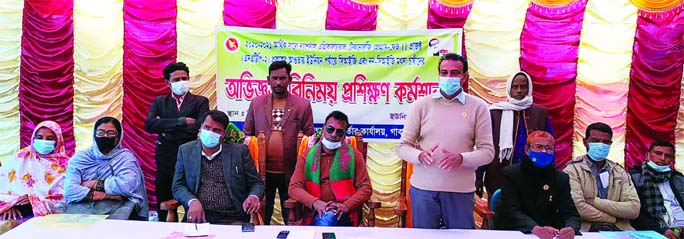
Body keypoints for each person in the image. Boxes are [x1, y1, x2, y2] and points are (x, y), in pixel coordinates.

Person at [396, 53, 495, 229]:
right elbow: (403, 147)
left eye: (455, 73)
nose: (448, 77)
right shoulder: (421, 105)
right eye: (444, 72)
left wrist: (462, 158)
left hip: (460, 191)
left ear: (464, 77)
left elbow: (487, 152)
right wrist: (419, 155)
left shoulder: (478, 107)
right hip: (423, 190)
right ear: (439, 74)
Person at [244, 61, 314, 224]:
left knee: (291, 214)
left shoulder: (302, 105)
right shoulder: (256, 103)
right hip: (261, 172)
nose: (278, 82)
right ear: (268, 79)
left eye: (282, 78)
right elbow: (247, 134)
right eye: (274, 78)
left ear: (290, 79)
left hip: (292, 171)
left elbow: (309, 138)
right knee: (262, 215)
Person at [172, 110, 264, 225]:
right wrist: (192, 201)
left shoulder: (239, 152)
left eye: (216, 130)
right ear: (200, 128)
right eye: (207, 127)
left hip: (233, 218)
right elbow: (178, 186)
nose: (210, 132)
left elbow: (257, 183)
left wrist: (253, 196)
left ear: (223, 134)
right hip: (198, 217)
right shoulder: (186, 151)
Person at [145, 62, 209, 221]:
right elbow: (150, 125)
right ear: (167, 82)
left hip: (190, 156)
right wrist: (180, 122)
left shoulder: (200, 101)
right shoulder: (160, 101)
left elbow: (198, 127)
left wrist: (165, 126)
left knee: (192, 201)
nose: (181, 82)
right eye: (176, 79)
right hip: (165, 157)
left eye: (184, 78)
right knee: (164, 203)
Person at [477, 71, 553, 200]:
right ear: (509, 89)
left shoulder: (540, 113)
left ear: (529, 89)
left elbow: (550, 146)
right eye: (515, 87)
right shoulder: (495, 113)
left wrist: (551, 175)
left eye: (523, 87)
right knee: (500, 216)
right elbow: (484, 147)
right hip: (499, 176)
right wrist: (478, 176)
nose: (519, 91)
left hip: (534, 176)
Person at [288, 111, 372, 226]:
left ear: (344, 135)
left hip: (343, 211)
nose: (333, 135)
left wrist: (346, 205)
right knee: (325, 219)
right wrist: (315, 202)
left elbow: (366, 188)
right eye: (330, 129)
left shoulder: (354, 155)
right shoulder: (307, 156)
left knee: (327, 219)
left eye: (339, 132)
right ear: (323, 129)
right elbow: (294, 187)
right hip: (314, 210)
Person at [494, 131, 580, 239]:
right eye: (539, 147)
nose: (544, 151)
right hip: (515, 231)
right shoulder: (511, 174)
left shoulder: (560, 178)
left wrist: (571, 228)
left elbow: (570, 212)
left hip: (549, 233)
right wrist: (534, 228)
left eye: (548, 148)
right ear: (527, 150)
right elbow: (510, 210)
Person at [64, 117, 148, 220]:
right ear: (94, 134)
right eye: (100, 132)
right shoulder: (80, 158)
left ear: (118, 137)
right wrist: (110, 195)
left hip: (120, 207)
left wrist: (92, 183)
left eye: (111, 133)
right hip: (82, 206)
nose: (105, 136)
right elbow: (70, 190)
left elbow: (127, 185)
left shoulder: (125, 158)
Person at [563, 122, 640, 231]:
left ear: (610, 144)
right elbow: (577, 208)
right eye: (595, 141)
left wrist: (594, 201)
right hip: (586, 229)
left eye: (605, 142)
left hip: (620, 230)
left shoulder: (619, 171)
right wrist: (612, 218)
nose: (600, 145)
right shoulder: (572, 170)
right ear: (585, 142)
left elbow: (633, 209)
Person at [0, 121, 70, 221]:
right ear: (33, 138)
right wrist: (8, 206)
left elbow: (68, 199)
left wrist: (33, 201)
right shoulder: (19, 159)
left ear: (58, 140)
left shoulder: (66, 166)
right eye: (40, 137)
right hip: (16, 217)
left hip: (51, 221)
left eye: (49, 138)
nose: (44, 141)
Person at [630, 140, 684, 239]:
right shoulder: (634, 176)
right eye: (658, 153)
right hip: (654, 231)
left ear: (672, 159)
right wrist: (661, 230)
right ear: (648, 155)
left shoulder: (678, 178)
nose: (662, 158)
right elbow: (635, 212)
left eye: (667, 156)